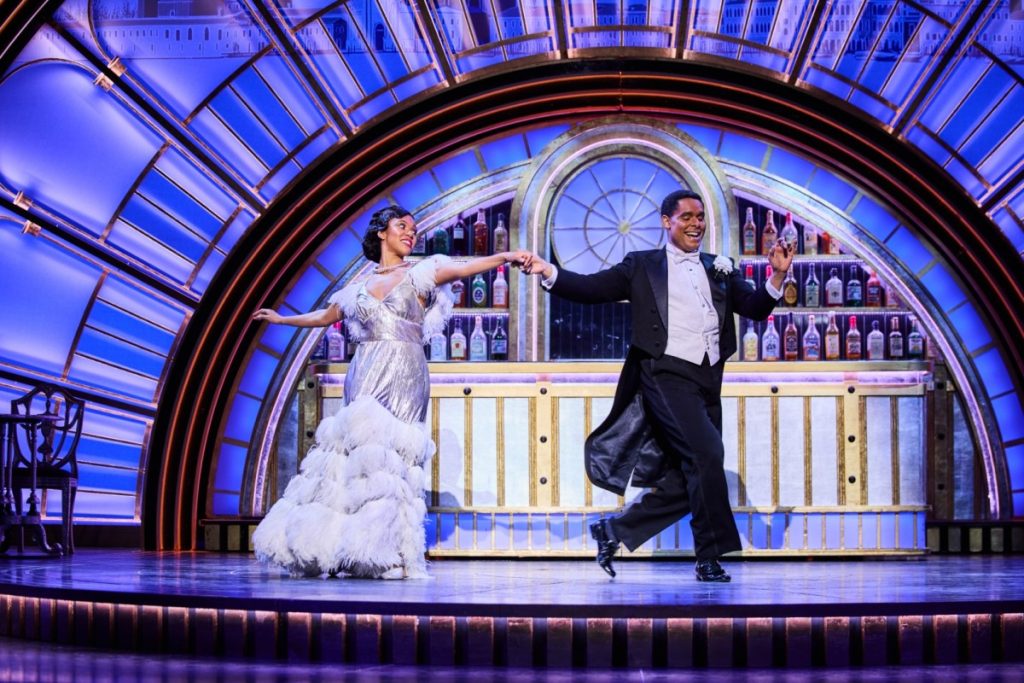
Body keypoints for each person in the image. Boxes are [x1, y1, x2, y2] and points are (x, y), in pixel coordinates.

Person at [251, 205, 533, 579]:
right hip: (366, 368)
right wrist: (283, 319)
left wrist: (508, 256)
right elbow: (323, 317)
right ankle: (336, 546)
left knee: (395, 459)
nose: (410, 233)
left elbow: (465, 267)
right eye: (402, 226)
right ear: (382, 232)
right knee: (351, 457)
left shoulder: (422, 272)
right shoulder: (354, 290)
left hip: (405, 370)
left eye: (413, 229)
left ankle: (385, 551)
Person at [525, 189, 793, 582]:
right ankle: (709, 558)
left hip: (707, 378)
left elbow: (753, 308)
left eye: (700, 217)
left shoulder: (720, 267)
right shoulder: (642, 266)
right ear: (666, 222)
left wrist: (778, 275)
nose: (696, 223)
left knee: (695, 472)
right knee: (707, 453)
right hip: (664, 373)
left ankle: (614, 531)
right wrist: (548, 272)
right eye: (686, 217)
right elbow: (592, 288)